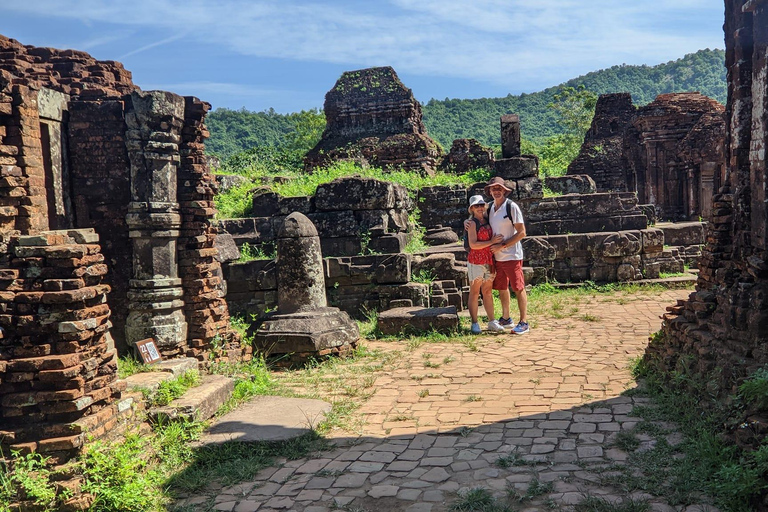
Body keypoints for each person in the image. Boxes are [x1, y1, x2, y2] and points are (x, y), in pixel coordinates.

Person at [471, 177, 530, 334]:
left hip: (512, 255)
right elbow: (476, 219)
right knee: (502, 287)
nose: (496, 191)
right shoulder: (489, 208)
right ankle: (506, 318)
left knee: (518, 287)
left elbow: (522, 232)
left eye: (499, 188)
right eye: (493, 189)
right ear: (490, 192)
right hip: (496, 257)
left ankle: (524, 322)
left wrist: (502, 245)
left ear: (504, 190)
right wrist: (466, 223)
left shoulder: (511, 207)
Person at [465, 195, 505, 334]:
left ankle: (491, 320)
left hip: (488, 259)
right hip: (476, 260)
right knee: (475, 292)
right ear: (472, 209)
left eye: (481, 205)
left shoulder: (487, 219)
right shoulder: (472, 223)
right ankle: (475, 322)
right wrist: (492, 242)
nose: (480, 208)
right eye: (476, 206)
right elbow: (473, 244)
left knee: (487, 291)